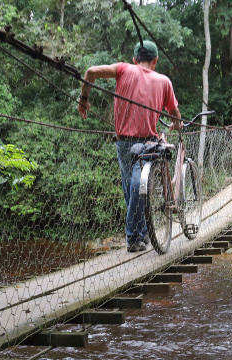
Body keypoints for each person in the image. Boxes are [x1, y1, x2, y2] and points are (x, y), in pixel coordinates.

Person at [78, 40, 181, 253]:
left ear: (135, 59)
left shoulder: (122, 69)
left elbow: (90, 72)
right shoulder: (164, 81)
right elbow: (174, 112)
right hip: (140, 143)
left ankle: (135, 236)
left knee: (134, 187)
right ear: (155, 61)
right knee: (131, 189)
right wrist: (177, 124)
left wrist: (83, 99)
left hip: (125, 142)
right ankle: (139, 235)